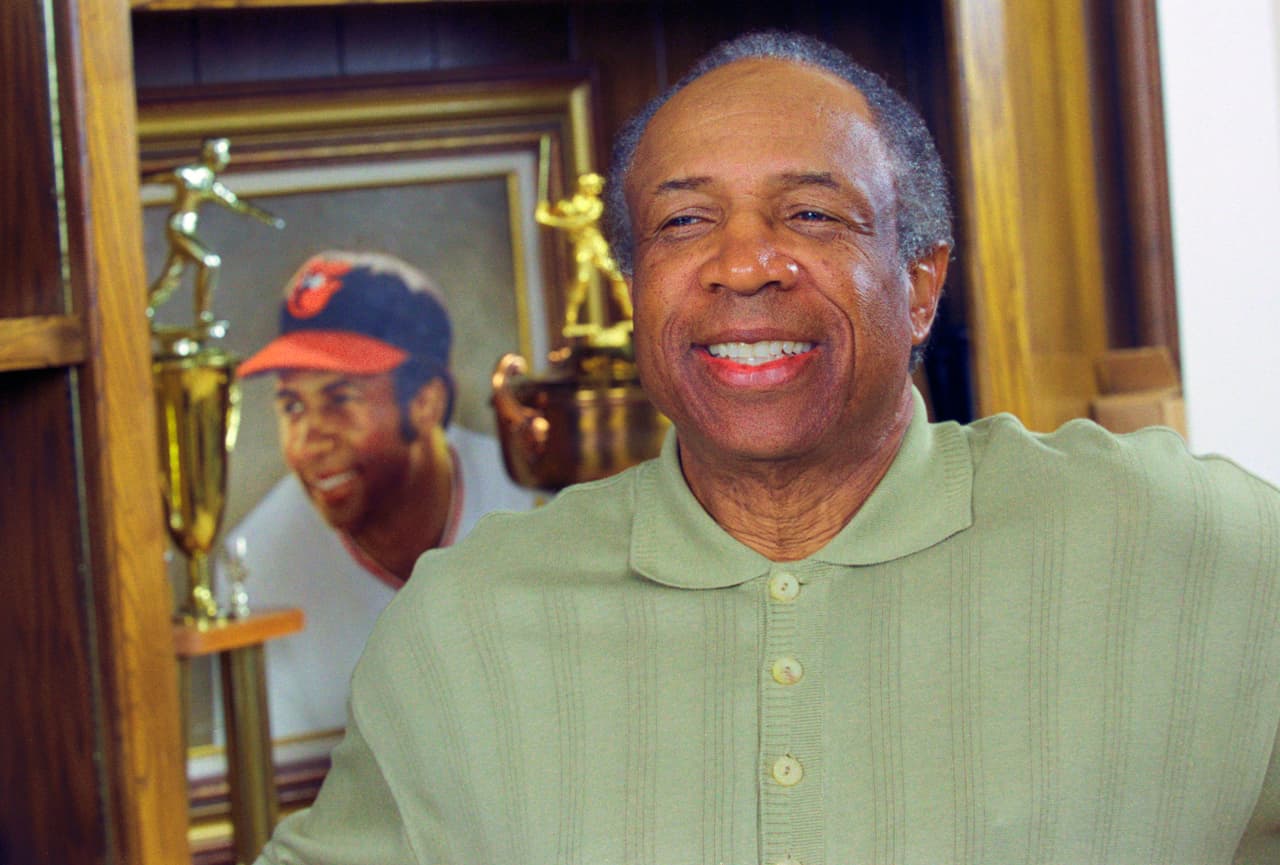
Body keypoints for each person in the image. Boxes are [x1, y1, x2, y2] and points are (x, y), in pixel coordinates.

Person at [255, 33, 1280, 865]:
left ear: (921, 284)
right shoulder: (460, 626)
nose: (742, 264)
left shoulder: (1187, 546)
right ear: (633, 292)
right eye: (684, 221)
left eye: (811, 213)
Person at [226, 250, 536, 743]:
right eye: (293, 406)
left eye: (340, 399)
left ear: (426, 401)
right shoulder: (256, 564)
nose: (309, 441)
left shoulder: (530, 501)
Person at [145, 136, 284, 328]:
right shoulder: (189, 175)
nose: (226, 159)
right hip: (179, 228)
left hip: (185, 229)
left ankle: (146, 308)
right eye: (224, 154)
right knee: (210, 263)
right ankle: (203, 316)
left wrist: (265, 217)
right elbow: (158, 178)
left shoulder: (209, 183)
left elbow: (236, 204)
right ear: (212, 155)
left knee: (172, 277)